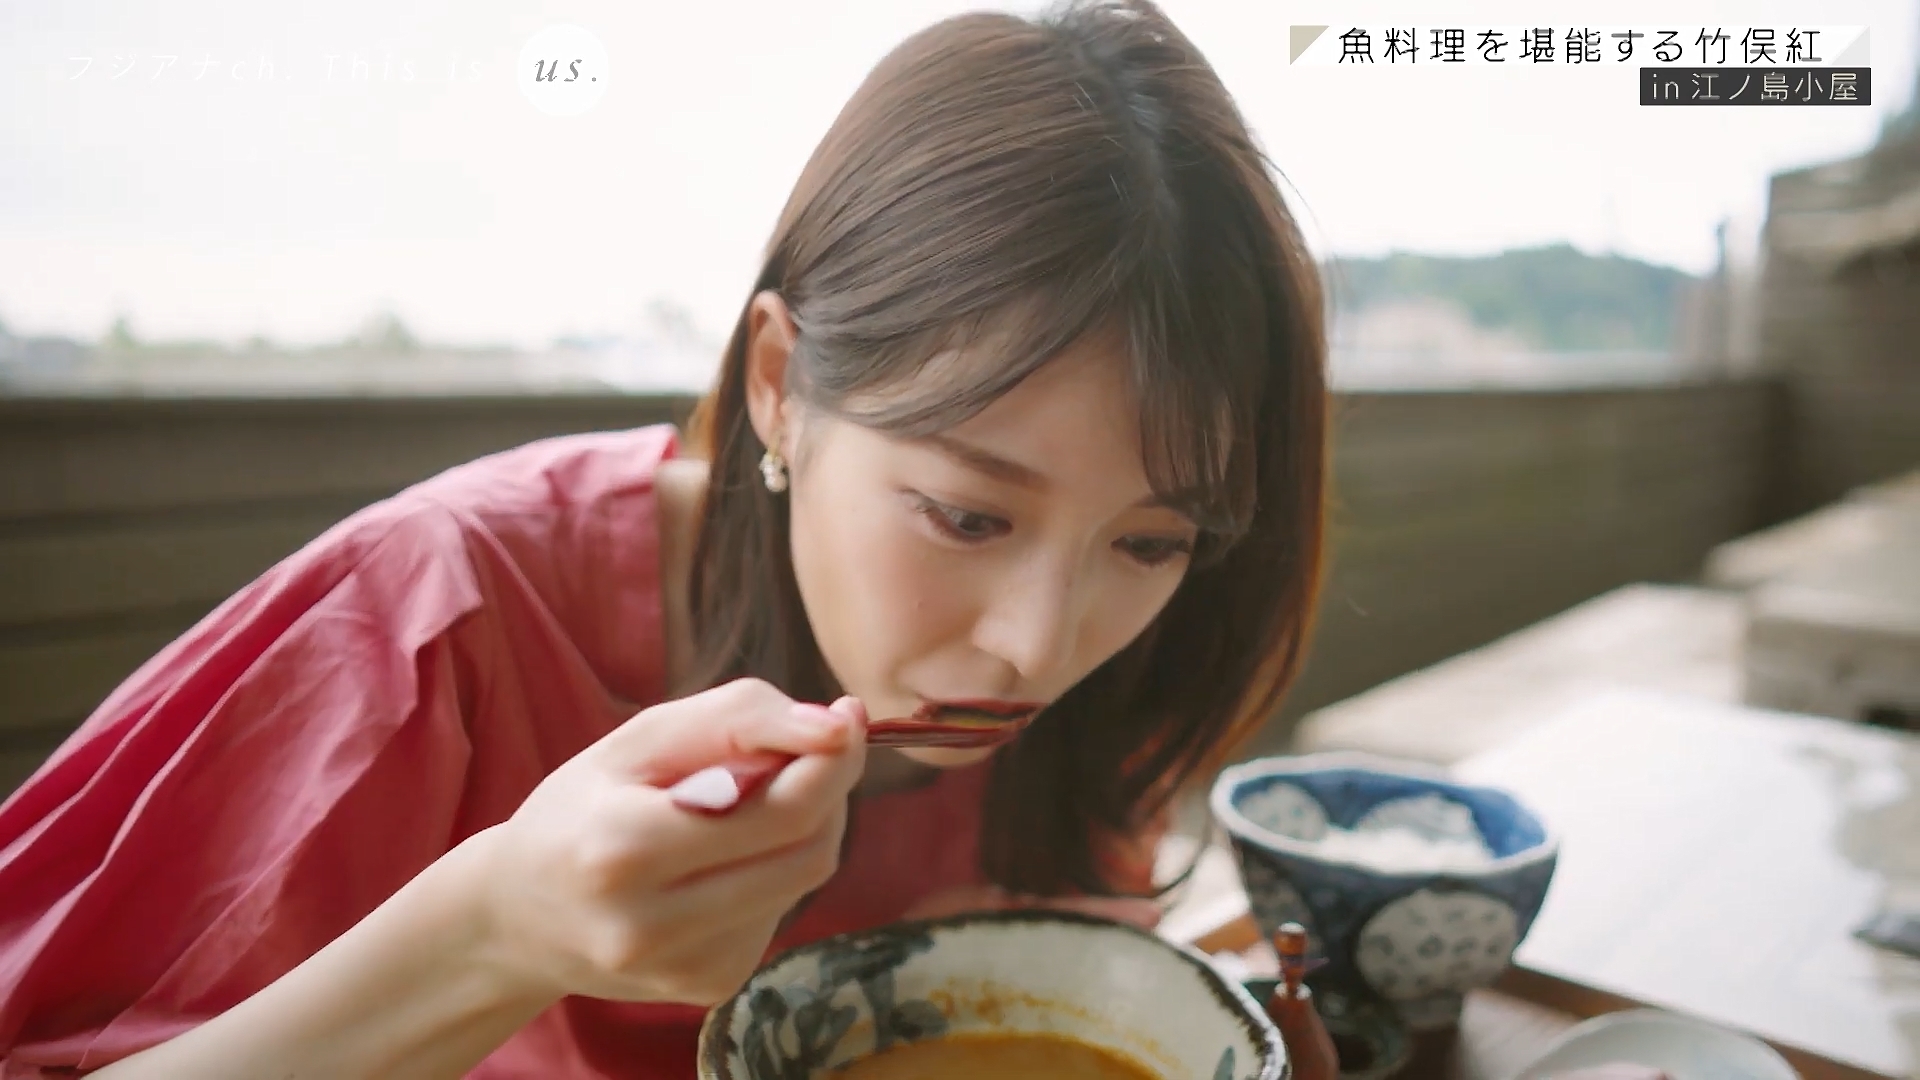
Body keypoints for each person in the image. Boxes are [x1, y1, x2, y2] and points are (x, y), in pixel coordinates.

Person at [0, 1, 1330, 1076]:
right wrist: (497, 930)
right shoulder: (439, 612)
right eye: (967, 515)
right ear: (778, 385)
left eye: (1150, 544)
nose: (1040, 645)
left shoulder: (1127, 683)